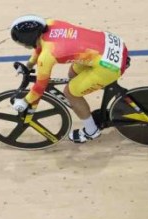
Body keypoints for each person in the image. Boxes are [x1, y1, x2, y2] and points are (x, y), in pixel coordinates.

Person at [9, 15, 130, 143]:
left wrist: (25, 101)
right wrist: (29, 65)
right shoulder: (50, 23)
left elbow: (40, 87)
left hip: (108, 66)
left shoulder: (47, 56)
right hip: (110, 44)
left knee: (70, 93)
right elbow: (39, 46)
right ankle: (97, 89)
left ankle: (91, 131)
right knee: (72, 75)